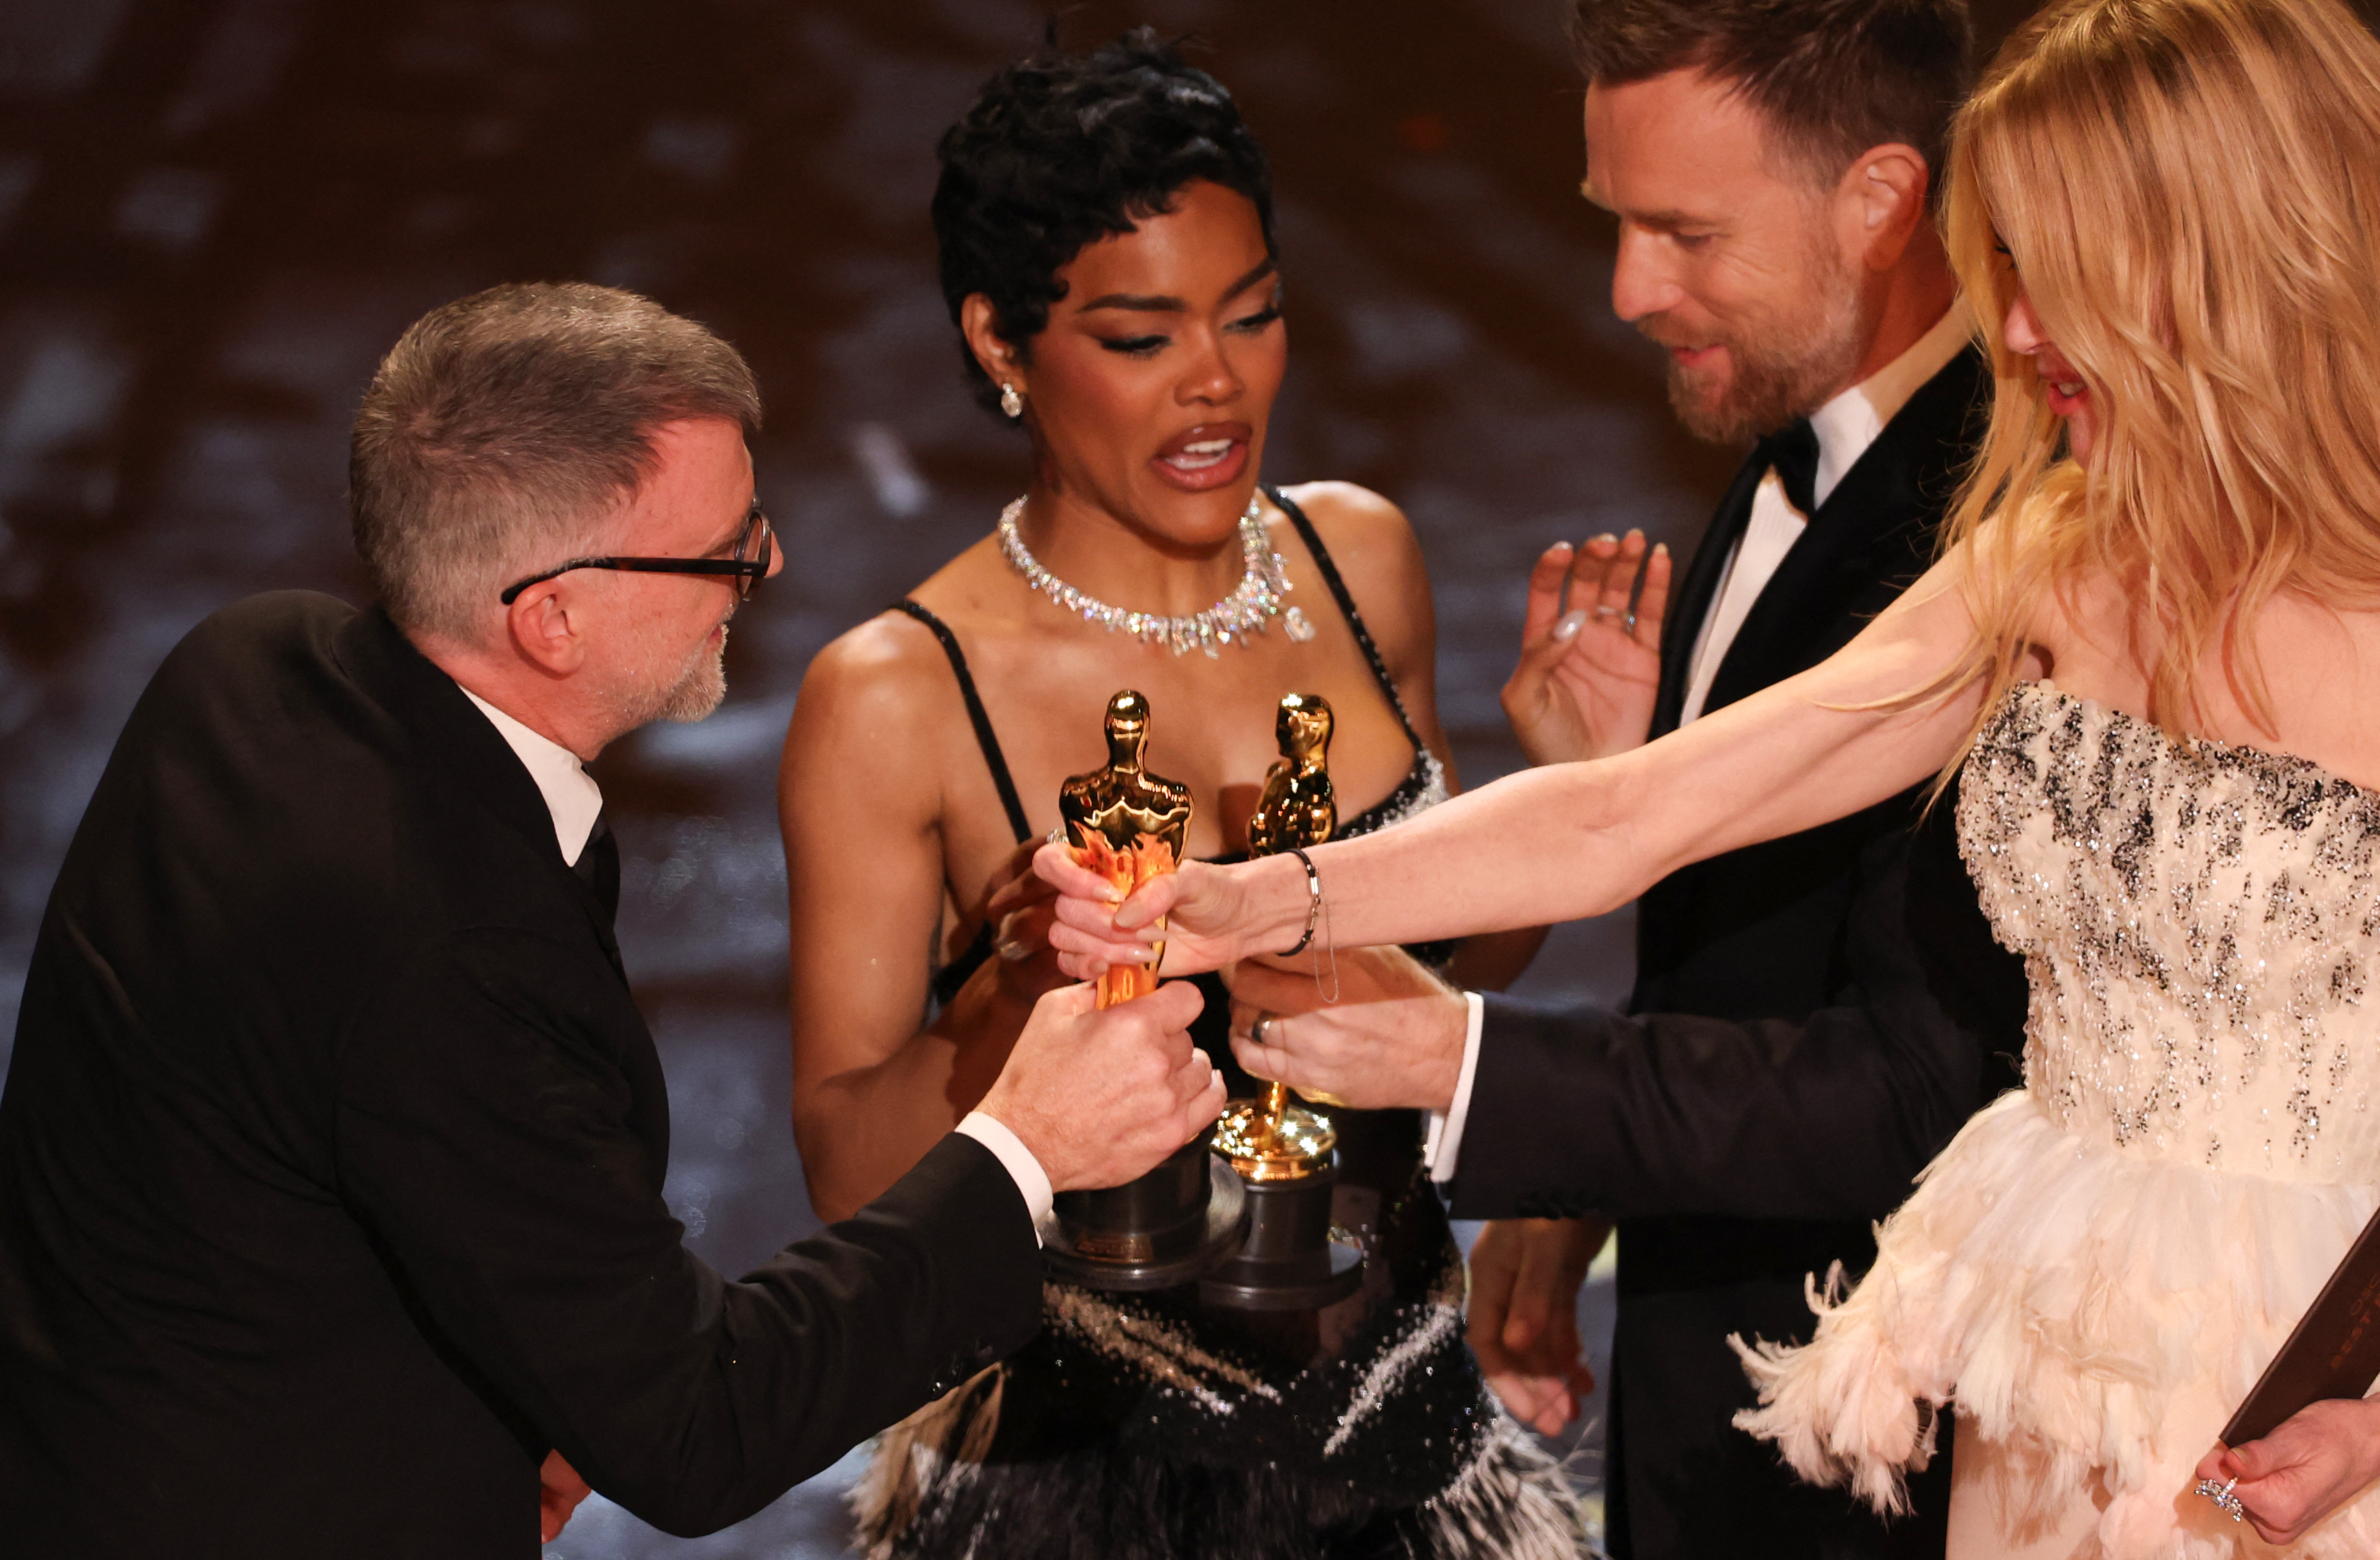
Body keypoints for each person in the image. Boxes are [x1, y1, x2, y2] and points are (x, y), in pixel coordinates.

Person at [1040, 0, 2380, 1553]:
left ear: (2229, 260)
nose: (2012, 330)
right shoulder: (2051, 560)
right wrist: (1250, 896)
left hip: (2315, 1396)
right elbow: (1642, 809)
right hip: (2053, 1369)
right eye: (2005, 264)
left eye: (2056, 270)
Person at [0, 281, 1223, 1558]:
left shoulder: (253, 664)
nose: (771, 563)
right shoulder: (448, 949)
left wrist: (535, 1384)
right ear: (550, 618)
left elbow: (266, 1140)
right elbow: (699, 1426)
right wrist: (1029, 1149)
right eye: (729, 545)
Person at [777, 32, 1581, 1560]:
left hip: (1403, 1457)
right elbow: (850, 1185)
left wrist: (1566, 783)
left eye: (1255, 314)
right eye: (1144, 339)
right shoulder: (896, 695)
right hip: (1075, 1495)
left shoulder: (1363, 561)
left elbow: (1453, 979)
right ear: (1004, 346)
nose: (1219, 383)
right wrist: (1020, 985)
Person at [1241, 1, 2026, 1554]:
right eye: (1617, 225)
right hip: (1714, 1404)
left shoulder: (2005, 528)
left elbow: (1928, 1088)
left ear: (1879, 202)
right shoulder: (1809, 439)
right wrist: (1578, 1178)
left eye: (1684, 234)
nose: (1624, 292)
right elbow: (1772, 948)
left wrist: (1460, 1068)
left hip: (1897, 1457)